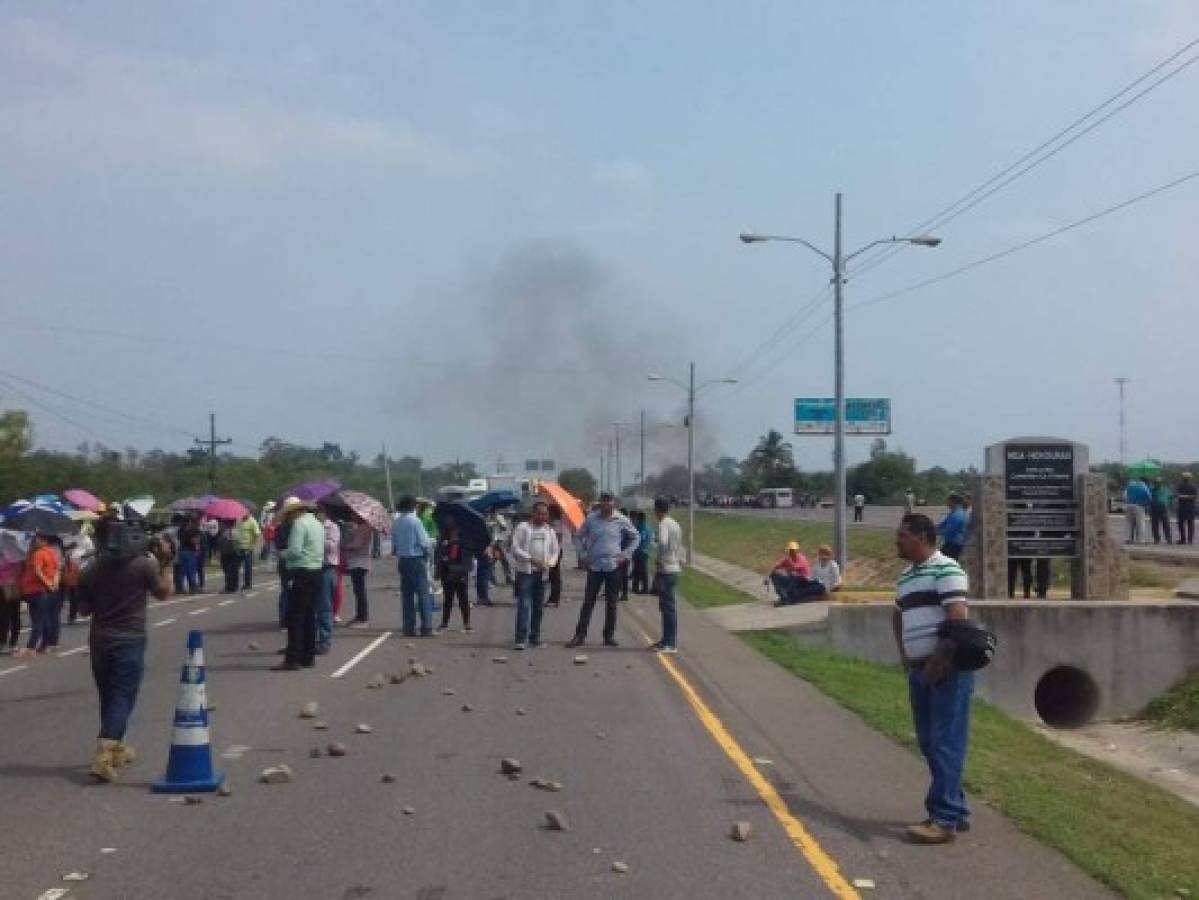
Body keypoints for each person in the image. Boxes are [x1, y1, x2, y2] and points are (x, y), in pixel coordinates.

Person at [891, 513, 972, 844]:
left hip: (946, 672)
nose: (897, 541)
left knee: (944, 742)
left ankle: (943, 820)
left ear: (924, 537)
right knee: (928, 742)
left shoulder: (947, 569)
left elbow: (957, 622)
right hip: (919, 669)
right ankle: (957, 809)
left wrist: (936, 664)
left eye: (903, 536)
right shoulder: (907, 576)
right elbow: (897, 613)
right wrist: (905, 655)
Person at [77, 519, 173, 782]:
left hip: (99, 639)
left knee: (108, 694)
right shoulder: (143, 566)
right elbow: (164, 593)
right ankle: (104, 752)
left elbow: (84, 609)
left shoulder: (90, 569)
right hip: (129, 638)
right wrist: (165, 563)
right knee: (123, 695)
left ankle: (117, 747)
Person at [567, 493, 639, 649]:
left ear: (613, 505)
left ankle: (609, 635)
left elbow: (636, 537)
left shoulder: (621, 519)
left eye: (609, 504)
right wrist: (582, 554)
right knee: (588, 602)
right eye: (603, 504)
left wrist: (626, 554)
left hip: (613, 566)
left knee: (612, 603)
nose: (606, 507)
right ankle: (580, 635)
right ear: (600, 505)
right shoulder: (592, 519)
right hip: (595, 566)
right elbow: (578, 536)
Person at [272, 497, 323, 671]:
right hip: (316, 570)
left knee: (295, 618)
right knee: (309, 616)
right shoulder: (317, 523)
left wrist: (282, 554)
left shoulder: (299, 525)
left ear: (294, 512)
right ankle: (308, 656)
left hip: (301, 571)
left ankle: (292, 658)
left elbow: (295, 551)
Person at [509, 501, 560, 650]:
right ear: (533, 513)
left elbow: (555, 551)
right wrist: (531, 559)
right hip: (526, 573)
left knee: (538, 607)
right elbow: (515, 548)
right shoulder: (523, 528)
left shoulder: (549, 531)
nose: (542, 516)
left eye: (545, 514)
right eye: (539, 513)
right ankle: (520, 639)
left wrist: (549, 563)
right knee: (524, 605)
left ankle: (535, 638)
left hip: (542, 574)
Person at [392, 496, 434, 637]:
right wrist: (429, 553)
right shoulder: (415, 521)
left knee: (407, 595)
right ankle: (426, 626)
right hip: (416, 559)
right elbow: (424, 542)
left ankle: (409, 627)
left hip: (403, 559)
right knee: (423, 594)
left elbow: (394, 544)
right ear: (412, 507)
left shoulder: (397, 522)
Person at [17, 533, 60, 657]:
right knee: (44, 617)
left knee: (37, 619)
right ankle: (45, 644)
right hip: (46, 589)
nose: (36, 542)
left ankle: (31, 647)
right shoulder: (52, 552)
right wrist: (53, 583)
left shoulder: (38, 554)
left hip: (36, 589)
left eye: (38, 540)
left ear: (44, 541)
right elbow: (57, 569)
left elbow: (37, 570)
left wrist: (47, 582)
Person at [651, 497, 683, 654]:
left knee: (667, 608)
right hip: (674, 566)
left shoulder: (663, 523)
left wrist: (659, 558)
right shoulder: (675, 524)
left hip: (666, 568)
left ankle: (670, 643)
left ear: (657, 510)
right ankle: (666, 640)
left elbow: (662, 542)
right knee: (667, 607)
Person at [435, 523, 472, 633]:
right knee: (448, 599)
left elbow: (467, 559)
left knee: (463, 599)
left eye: (455, 532)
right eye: (452, 532)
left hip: (460, 573)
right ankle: (445, 623)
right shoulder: (443, 540)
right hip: (447, 573)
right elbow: (438, 555)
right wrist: (439, 568)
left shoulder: (464, 542)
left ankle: (467, 623)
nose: (453, 534)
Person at [315, 506, 340, 655]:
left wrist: (317, 538)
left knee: (324, 607)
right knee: (313, 607)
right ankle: (314, 640)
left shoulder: (332, 527)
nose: (317, 515)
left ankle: (325, 641)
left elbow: (331, 545)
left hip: (327, 568)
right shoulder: (313, 525)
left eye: (319, 512)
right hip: (314, 568)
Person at [342, 517, 373, 627]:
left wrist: (345, 546)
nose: (352, 516)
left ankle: (363, 618)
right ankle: (359, 616)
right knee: (358, 591)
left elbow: (357, 545)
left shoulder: (363, 528)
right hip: (360, 561)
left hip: (359, 562)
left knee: (360, 591)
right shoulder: (363, 527)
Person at [546, 504, 567, 607]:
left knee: (554, 576)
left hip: (555, 552)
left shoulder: (558, 523)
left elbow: (558, 538)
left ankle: (554, 598)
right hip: (548, 552)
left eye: (548, 511)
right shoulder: (550, 522)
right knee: (551, 575)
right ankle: (552, 598)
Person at [936, 494, 969, 560]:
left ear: (953, 502)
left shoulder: (958, 515)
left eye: (948, 501)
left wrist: (936, 532)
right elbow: (943, 524)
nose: (947, 504)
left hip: (955, 544)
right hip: (950, 543)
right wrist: (932, 528)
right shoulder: (953, 513)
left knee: (944, 561)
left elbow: (950, 531)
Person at [234, 512, 261, 590]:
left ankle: (247, 584)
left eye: (246, 512)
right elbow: (236, 531)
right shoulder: (239, 521)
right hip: (239, 547)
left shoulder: (253, 521)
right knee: (235, 566)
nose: (244, 514)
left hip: (248, 548)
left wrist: (253, 545)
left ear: (249, 512)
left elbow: (257, 534)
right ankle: (234, 584)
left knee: (247, 567)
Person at [177, 515, 202, 594]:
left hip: (182, 551)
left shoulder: (180, 530)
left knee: (183, 570)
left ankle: (179, 588)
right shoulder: (192, 530)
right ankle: (193, 588)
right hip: (190, 551)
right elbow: (194, 541)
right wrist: (197, 546)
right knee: (191, 570)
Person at [629, 510, 653, 594]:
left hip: (640, 552)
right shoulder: (648, 527)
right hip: (645, 551)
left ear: (639, 519)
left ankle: (644, 588)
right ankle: (636, 587)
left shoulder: (640, 527)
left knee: (641, 571)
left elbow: (641, 538)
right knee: (638, 570)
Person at [1124, 477, 1150, 544]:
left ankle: (1128, 539)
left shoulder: (1130, 486)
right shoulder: (1144, 486)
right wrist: (1146, 503)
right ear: (1145, 482)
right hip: (1138, 506)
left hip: (1128, 505)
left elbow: (1124, 495)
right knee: (1140, 523)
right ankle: (1141, 540)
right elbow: (1149, 496)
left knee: (1129, 523)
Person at [1149, 477, 1173, 544]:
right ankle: (1156, 539)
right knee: (1155, 525)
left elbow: (1171, 497)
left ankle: (1168, 539)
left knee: (1166, 525)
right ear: (1154, 483)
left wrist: (1169, 505)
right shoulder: (1151, 490)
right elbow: (1148, 498)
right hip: (1154, 509)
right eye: (1156, 482)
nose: (1158, 484)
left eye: (1159, 483)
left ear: (1162, 483)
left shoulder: (1166, 490)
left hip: (1164, 509)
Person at [218, 522, 240, 593]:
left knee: (229, 571)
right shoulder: (236, 531)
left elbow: (221, 542)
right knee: (233, 570)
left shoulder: (226, 532)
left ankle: (229, 587)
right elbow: (238, 543)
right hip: (234, 553)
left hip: (227, 554)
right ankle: (234, 586)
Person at [1176, 472, 1196, 546]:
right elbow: (1177, 495)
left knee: (1190, 524)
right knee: (1181, 524)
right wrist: (1184, 497)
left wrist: (1183, 497)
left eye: (1187, 477)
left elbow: (1194, 496)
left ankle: (1189, 539)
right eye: (1185, 477)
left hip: (1189, 507)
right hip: (1183, 507)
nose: (1186, 479)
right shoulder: (1180, 486)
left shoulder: (1193, 486)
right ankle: (1183, 539)